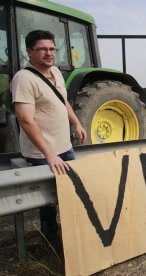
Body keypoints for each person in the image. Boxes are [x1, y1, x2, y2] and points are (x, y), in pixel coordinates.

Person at [11, 30, 87, 253]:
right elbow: (25, 120)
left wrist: (76, 123)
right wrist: (49, 154)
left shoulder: (55, 72)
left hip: (65, 148)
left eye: (52, 48)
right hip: (42, 153)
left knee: (72, 193)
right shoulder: (24, 79)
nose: (49, 53)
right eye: (42, 49)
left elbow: (62, 101)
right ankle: (51, 242)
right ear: (29, 52)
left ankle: (74, 237)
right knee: (50, 201)